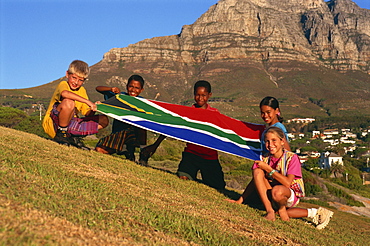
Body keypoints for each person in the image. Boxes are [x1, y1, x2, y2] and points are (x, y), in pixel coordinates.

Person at [227, 126, 333, 229]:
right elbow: (255, 180)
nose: (270, 144)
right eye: (267, 141)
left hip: (288, 193)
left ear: (282, 141)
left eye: (274, 140)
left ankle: (287, 209)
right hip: (272, 192)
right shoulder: (265, 158)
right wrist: (240, 200)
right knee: (258, 171)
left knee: (277, 191)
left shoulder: (292, 158)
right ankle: (271, 211)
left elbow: (287, 183)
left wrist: (269, 169)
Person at [42, 60, 108, 148]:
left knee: (104, 120)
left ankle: (74, 137)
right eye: (74, 78)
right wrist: (87, 101)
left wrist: (94, 108)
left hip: (71, 123)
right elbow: (65, 94)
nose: (76, 82)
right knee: (69, 102)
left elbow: (87, 114)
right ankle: (61, 134)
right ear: (67, 74)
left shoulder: (82, 90)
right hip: (54, 123)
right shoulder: (63, 84)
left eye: (80, 80)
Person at [175, 80, 226, 190]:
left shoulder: (215, 113)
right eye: (197, 95)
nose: (200, 98)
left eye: (203, 95)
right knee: (183, 177)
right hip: (191, 154)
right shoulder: (188, 112)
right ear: (194, 94)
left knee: (218, 187)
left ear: (209, 95)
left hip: (209, 156)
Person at [95, 75, 148, 161]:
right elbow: (98, 88)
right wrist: (110, 89)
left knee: (142, 124)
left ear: (141, 90)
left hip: (133, 135)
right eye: (131, 86)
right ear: (127, 86)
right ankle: (125, 150)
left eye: (137, 88)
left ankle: (142, 153)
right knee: (99, 149)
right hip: (118, 134)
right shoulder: (120, 97)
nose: (133, 90)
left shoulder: (143, 102)